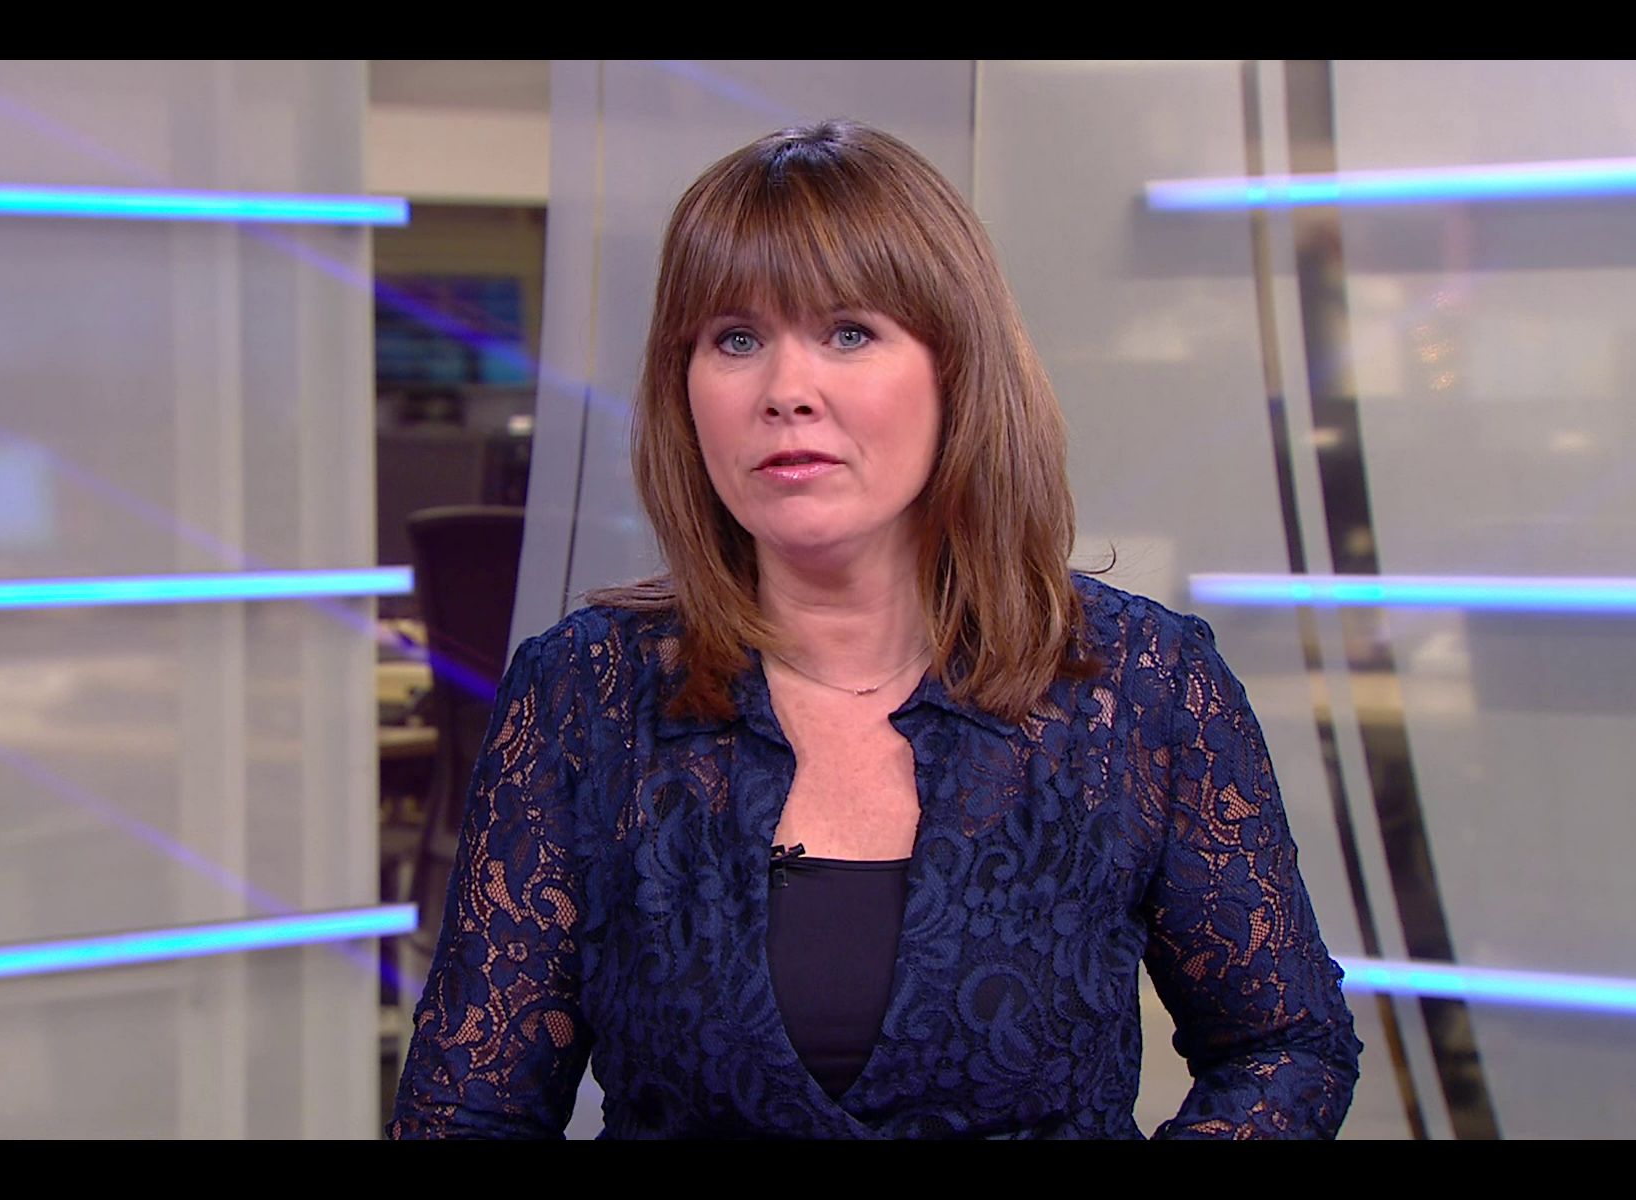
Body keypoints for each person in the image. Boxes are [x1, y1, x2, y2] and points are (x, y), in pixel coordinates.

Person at [387, 120, 1361, 1139]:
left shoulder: (1140, 683)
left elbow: (1285, 1047)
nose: (786, 392)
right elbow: (466, 1112)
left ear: (956, 370)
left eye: (848, 332)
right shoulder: (582, 692)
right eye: (735, 340)